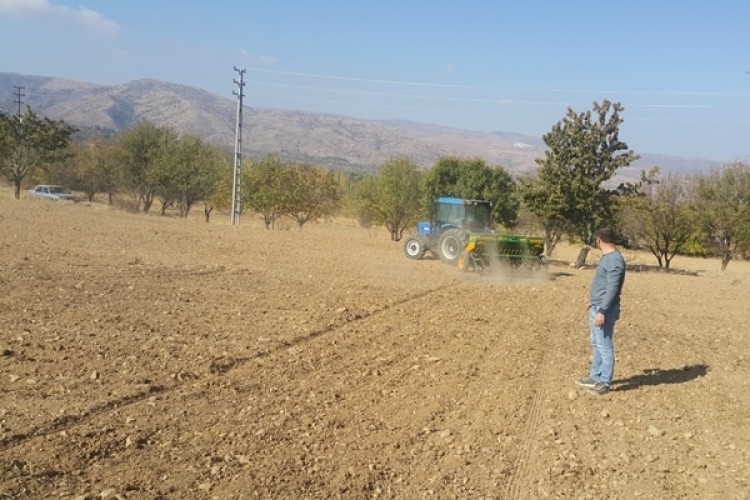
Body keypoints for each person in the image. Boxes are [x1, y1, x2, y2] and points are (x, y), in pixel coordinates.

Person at [575, 227, 626, 396]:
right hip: (598, 306)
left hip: (605, 310)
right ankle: (594, 376)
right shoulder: (609, 258)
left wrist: (602, 310)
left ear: (599, 240)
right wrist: (595, 302)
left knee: (604, 346)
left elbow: (612, 288)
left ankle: (604, 382)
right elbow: (604, 286)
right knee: (596, 343)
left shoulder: (614, 260)